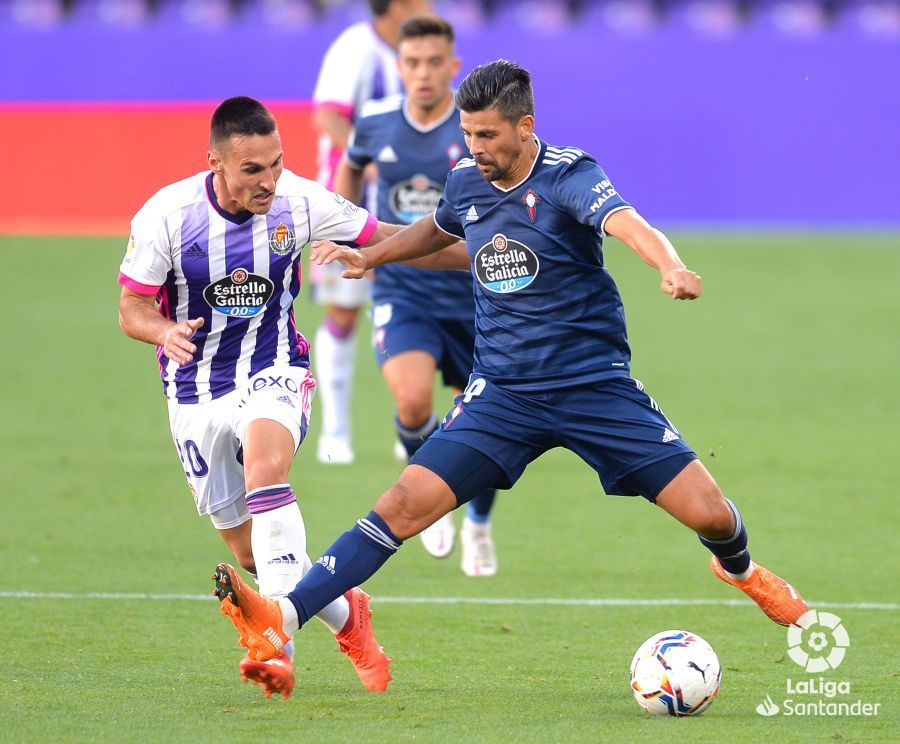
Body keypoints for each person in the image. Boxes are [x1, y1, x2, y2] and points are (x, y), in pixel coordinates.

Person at [211, 62, 809, 671]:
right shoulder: (467, 180)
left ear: (525, 127)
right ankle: (281, 619)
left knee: (711, 514)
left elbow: (627, 223)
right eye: (468, 134)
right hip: (502, 395)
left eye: (488, 135)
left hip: (593, 387)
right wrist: (373, 257)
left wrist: (668, 265)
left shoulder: (569, 175)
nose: (475, 148)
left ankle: (741, 570)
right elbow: (437, 232)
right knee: (399, 506)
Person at [117, 96, 399, 698]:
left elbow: (391, 237)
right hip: (194, 391)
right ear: (215, 162)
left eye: (275, 163)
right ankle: (350, 616)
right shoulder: (169, 215)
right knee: (254, 555)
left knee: (266, 470)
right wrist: (163, 330)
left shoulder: (302, 200)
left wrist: (481, 250)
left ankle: (279, 649)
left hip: (274, 366)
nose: (269, 180)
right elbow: (131, 307)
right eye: (252, 170)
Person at [333, 15, 498, 576]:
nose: (423, 73)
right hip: (404, 289)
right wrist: (346, 226)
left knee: (484, 419)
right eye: (412, 62)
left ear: (453, 67)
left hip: (476, 292)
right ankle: (432, 497)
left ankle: (478, 522)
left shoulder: (475, 127)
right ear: (398, 66)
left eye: (434, 63)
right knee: (411, 403)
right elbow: (351, 169)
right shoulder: (376, 122)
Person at [311, 0, 433, 465]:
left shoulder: (420, 53)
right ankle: (335, 432)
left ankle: (411, 426)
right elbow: (327, 117)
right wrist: (373, 161)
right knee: (343, 311)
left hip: (404, 206)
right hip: (348, 206)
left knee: (413, 309)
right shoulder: (355, 47)